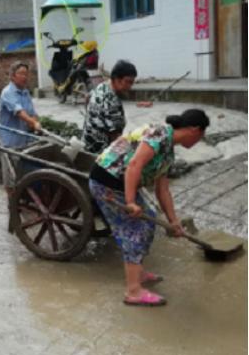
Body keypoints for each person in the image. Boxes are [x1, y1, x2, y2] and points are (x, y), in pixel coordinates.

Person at [89, 109, 210, 306]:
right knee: (133, 231)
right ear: (194, 130)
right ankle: (133, 291)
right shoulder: (159, 134)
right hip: (107, 183)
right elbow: (134, 165)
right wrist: (130, 202)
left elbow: (163, 190)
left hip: (124, 184)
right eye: (202, 135)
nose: (200, 140)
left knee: (149, 221)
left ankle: (139, 272)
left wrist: (173, 221)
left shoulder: (168, 149)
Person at [0, 61, 40, 195]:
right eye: (21, 74)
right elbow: (20, 112)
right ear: (12, 76)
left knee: (25, 177)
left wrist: (36, 122)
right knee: (10, 179)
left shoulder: (25, 92)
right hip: (9, 142)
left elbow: (32, 114)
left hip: (24, 141)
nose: (24, 77)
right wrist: (32, 122)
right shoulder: (7, 92)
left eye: (26, 74)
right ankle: (12, 207)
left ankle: (23, 203)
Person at [82, 60, 137, 154]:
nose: (129, 86)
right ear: (116, 79)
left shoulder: (101, 86)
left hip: (87, 141)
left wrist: (91, 116)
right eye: (127, 82)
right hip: (100, 151)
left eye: (132, 83)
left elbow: (87, 97)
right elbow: (115, 138)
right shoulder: (112, 101)